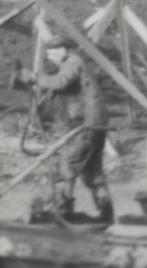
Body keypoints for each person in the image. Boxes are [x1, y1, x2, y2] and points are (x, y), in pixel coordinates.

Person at [30, 24, 115, 223]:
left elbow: (60, 82)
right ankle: (106, 215)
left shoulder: (73, 62)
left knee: (67, 163)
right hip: (95, 125)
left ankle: (61, 213)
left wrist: (35, 78)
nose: (50, 57)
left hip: (87, 125)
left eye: (52, 53)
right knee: (92, 171)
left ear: (63, 50)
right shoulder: (74, 63)